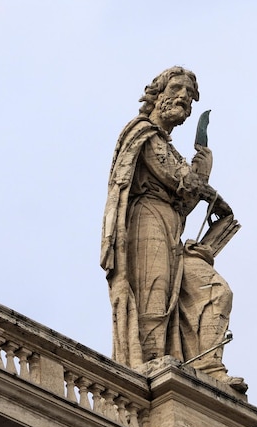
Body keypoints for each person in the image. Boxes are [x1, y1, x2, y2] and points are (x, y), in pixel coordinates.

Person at [100, 67, 246, 392]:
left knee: (214, 291)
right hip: (147, 220)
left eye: (189, 95)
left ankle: (207, 365)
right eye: (177, 88)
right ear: (158, 92)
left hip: (171, 228)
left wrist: (199, 180)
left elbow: (184, 201)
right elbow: (180, 182)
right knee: (154, 292)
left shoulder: (169, 148)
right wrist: (202, 172)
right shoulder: (144, 134)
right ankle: (149, 367)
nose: (183, 97)